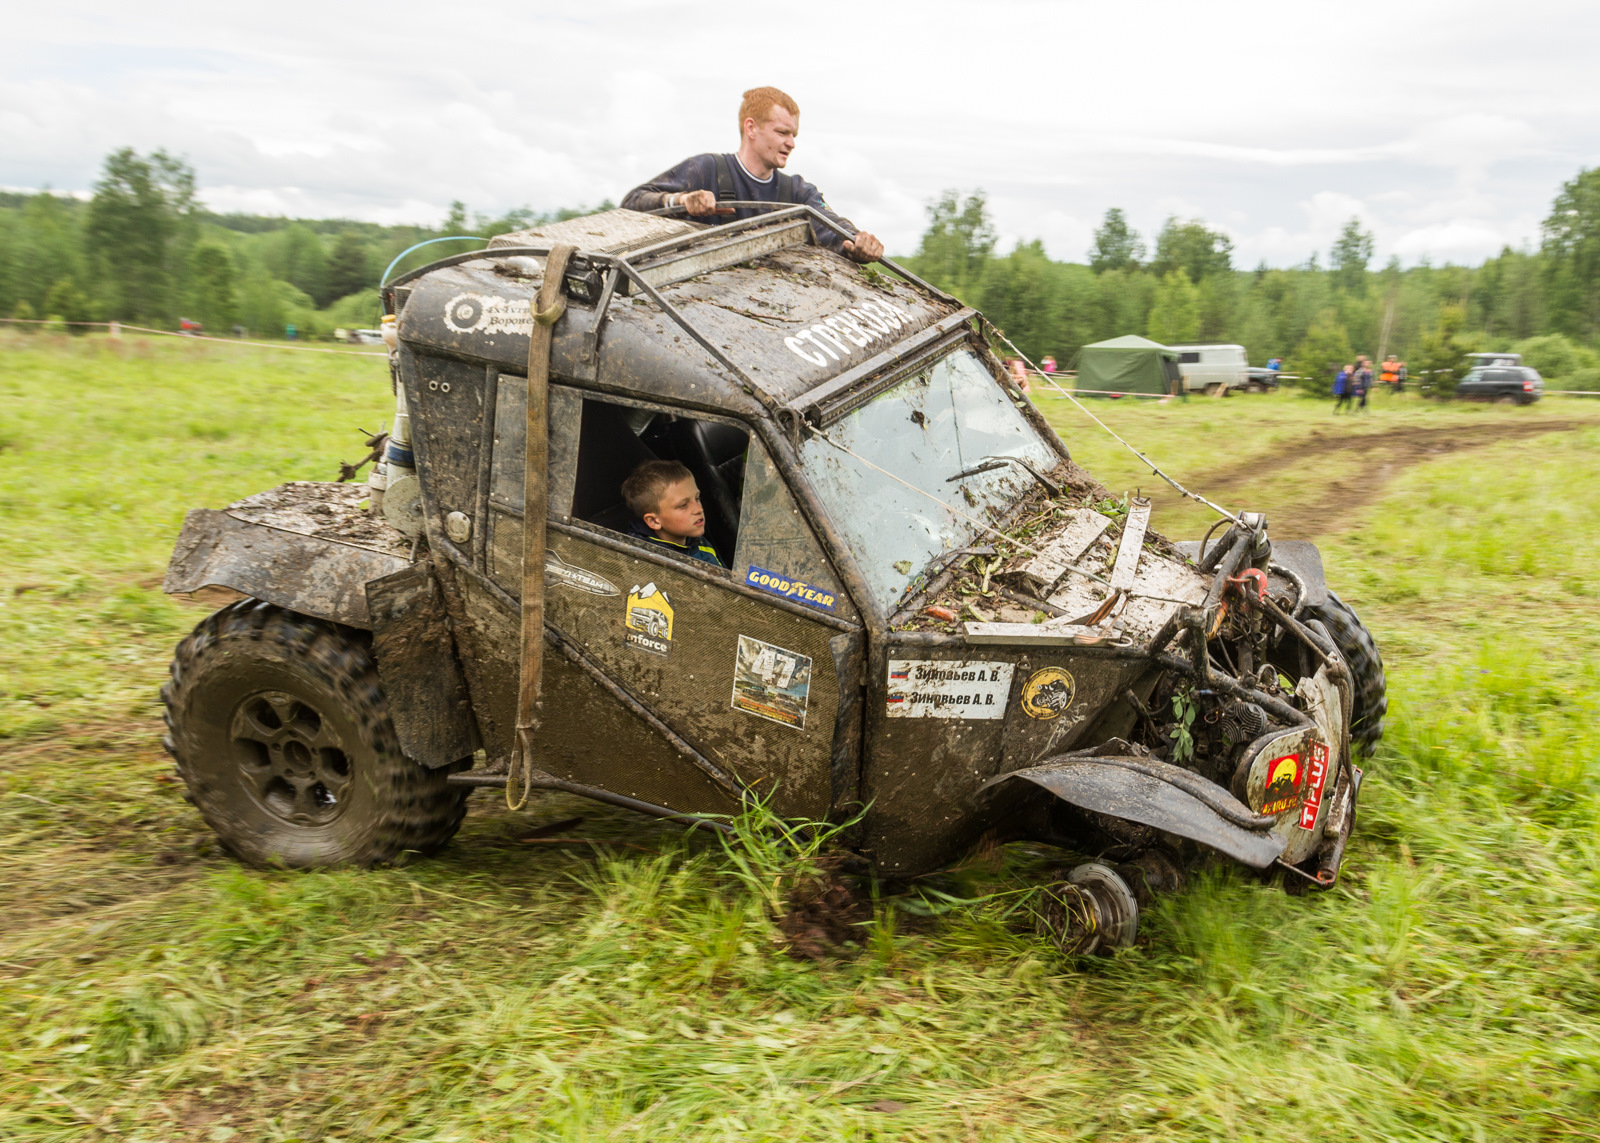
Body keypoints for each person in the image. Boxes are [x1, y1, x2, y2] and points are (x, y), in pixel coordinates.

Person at [622, 87, 885, 264]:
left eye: (794, 135)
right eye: (782, 133)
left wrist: (858, 241)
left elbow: (832, 227)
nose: (791, 143)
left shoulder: (797, 192)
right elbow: (633, 202)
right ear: (751, 128)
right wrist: (682, 201)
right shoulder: (706, 169)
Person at [621, 459, 724, 567]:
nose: (699, 509)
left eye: (697, 498)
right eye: (683, 505)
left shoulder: (699, 542)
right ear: (654, 521)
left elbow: (729, 579)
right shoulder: (649, 564)